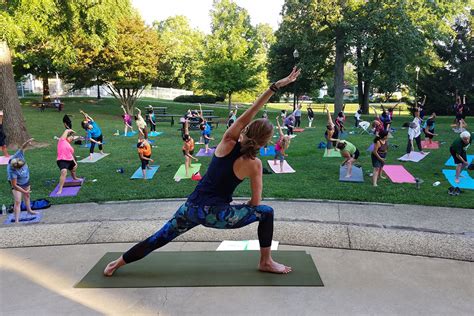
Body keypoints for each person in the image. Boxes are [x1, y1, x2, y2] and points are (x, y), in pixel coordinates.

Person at [103, 67, 301, 277]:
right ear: (265, 142)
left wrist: (275, 87)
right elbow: (255, 204)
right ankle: (266, 261)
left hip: (191, 207)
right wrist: (236, 206)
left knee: (160, 237)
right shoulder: (255, 164)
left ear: (247, 129)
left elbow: (249, 112)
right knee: (266, 212)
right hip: (217, 215)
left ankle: (116, 264)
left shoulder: (226, 142)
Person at [7, 138, 38, 223]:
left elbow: (22, 148)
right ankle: (16, 220)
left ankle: (29, 211)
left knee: (27, 196)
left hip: (26, 180)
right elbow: (15, 185)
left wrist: (27, 142)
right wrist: (24, 192)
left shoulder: (18, 156)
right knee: (17, 201)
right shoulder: (12, 170)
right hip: (18, 184)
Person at [56, 129, 80, 195]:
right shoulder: (62, 140)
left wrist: (75, 162)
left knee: (74, 168)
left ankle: (74, 177)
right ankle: (60, 189)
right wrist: (71, 131)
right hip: (62, 160)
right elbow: (66, 130)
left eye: (72, 139)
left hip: (70, 160)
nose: (71, 139)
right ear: (66, 136)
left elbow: (71, 155)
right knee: (64, 172)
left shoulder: (69, 145)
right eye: (70, 137)